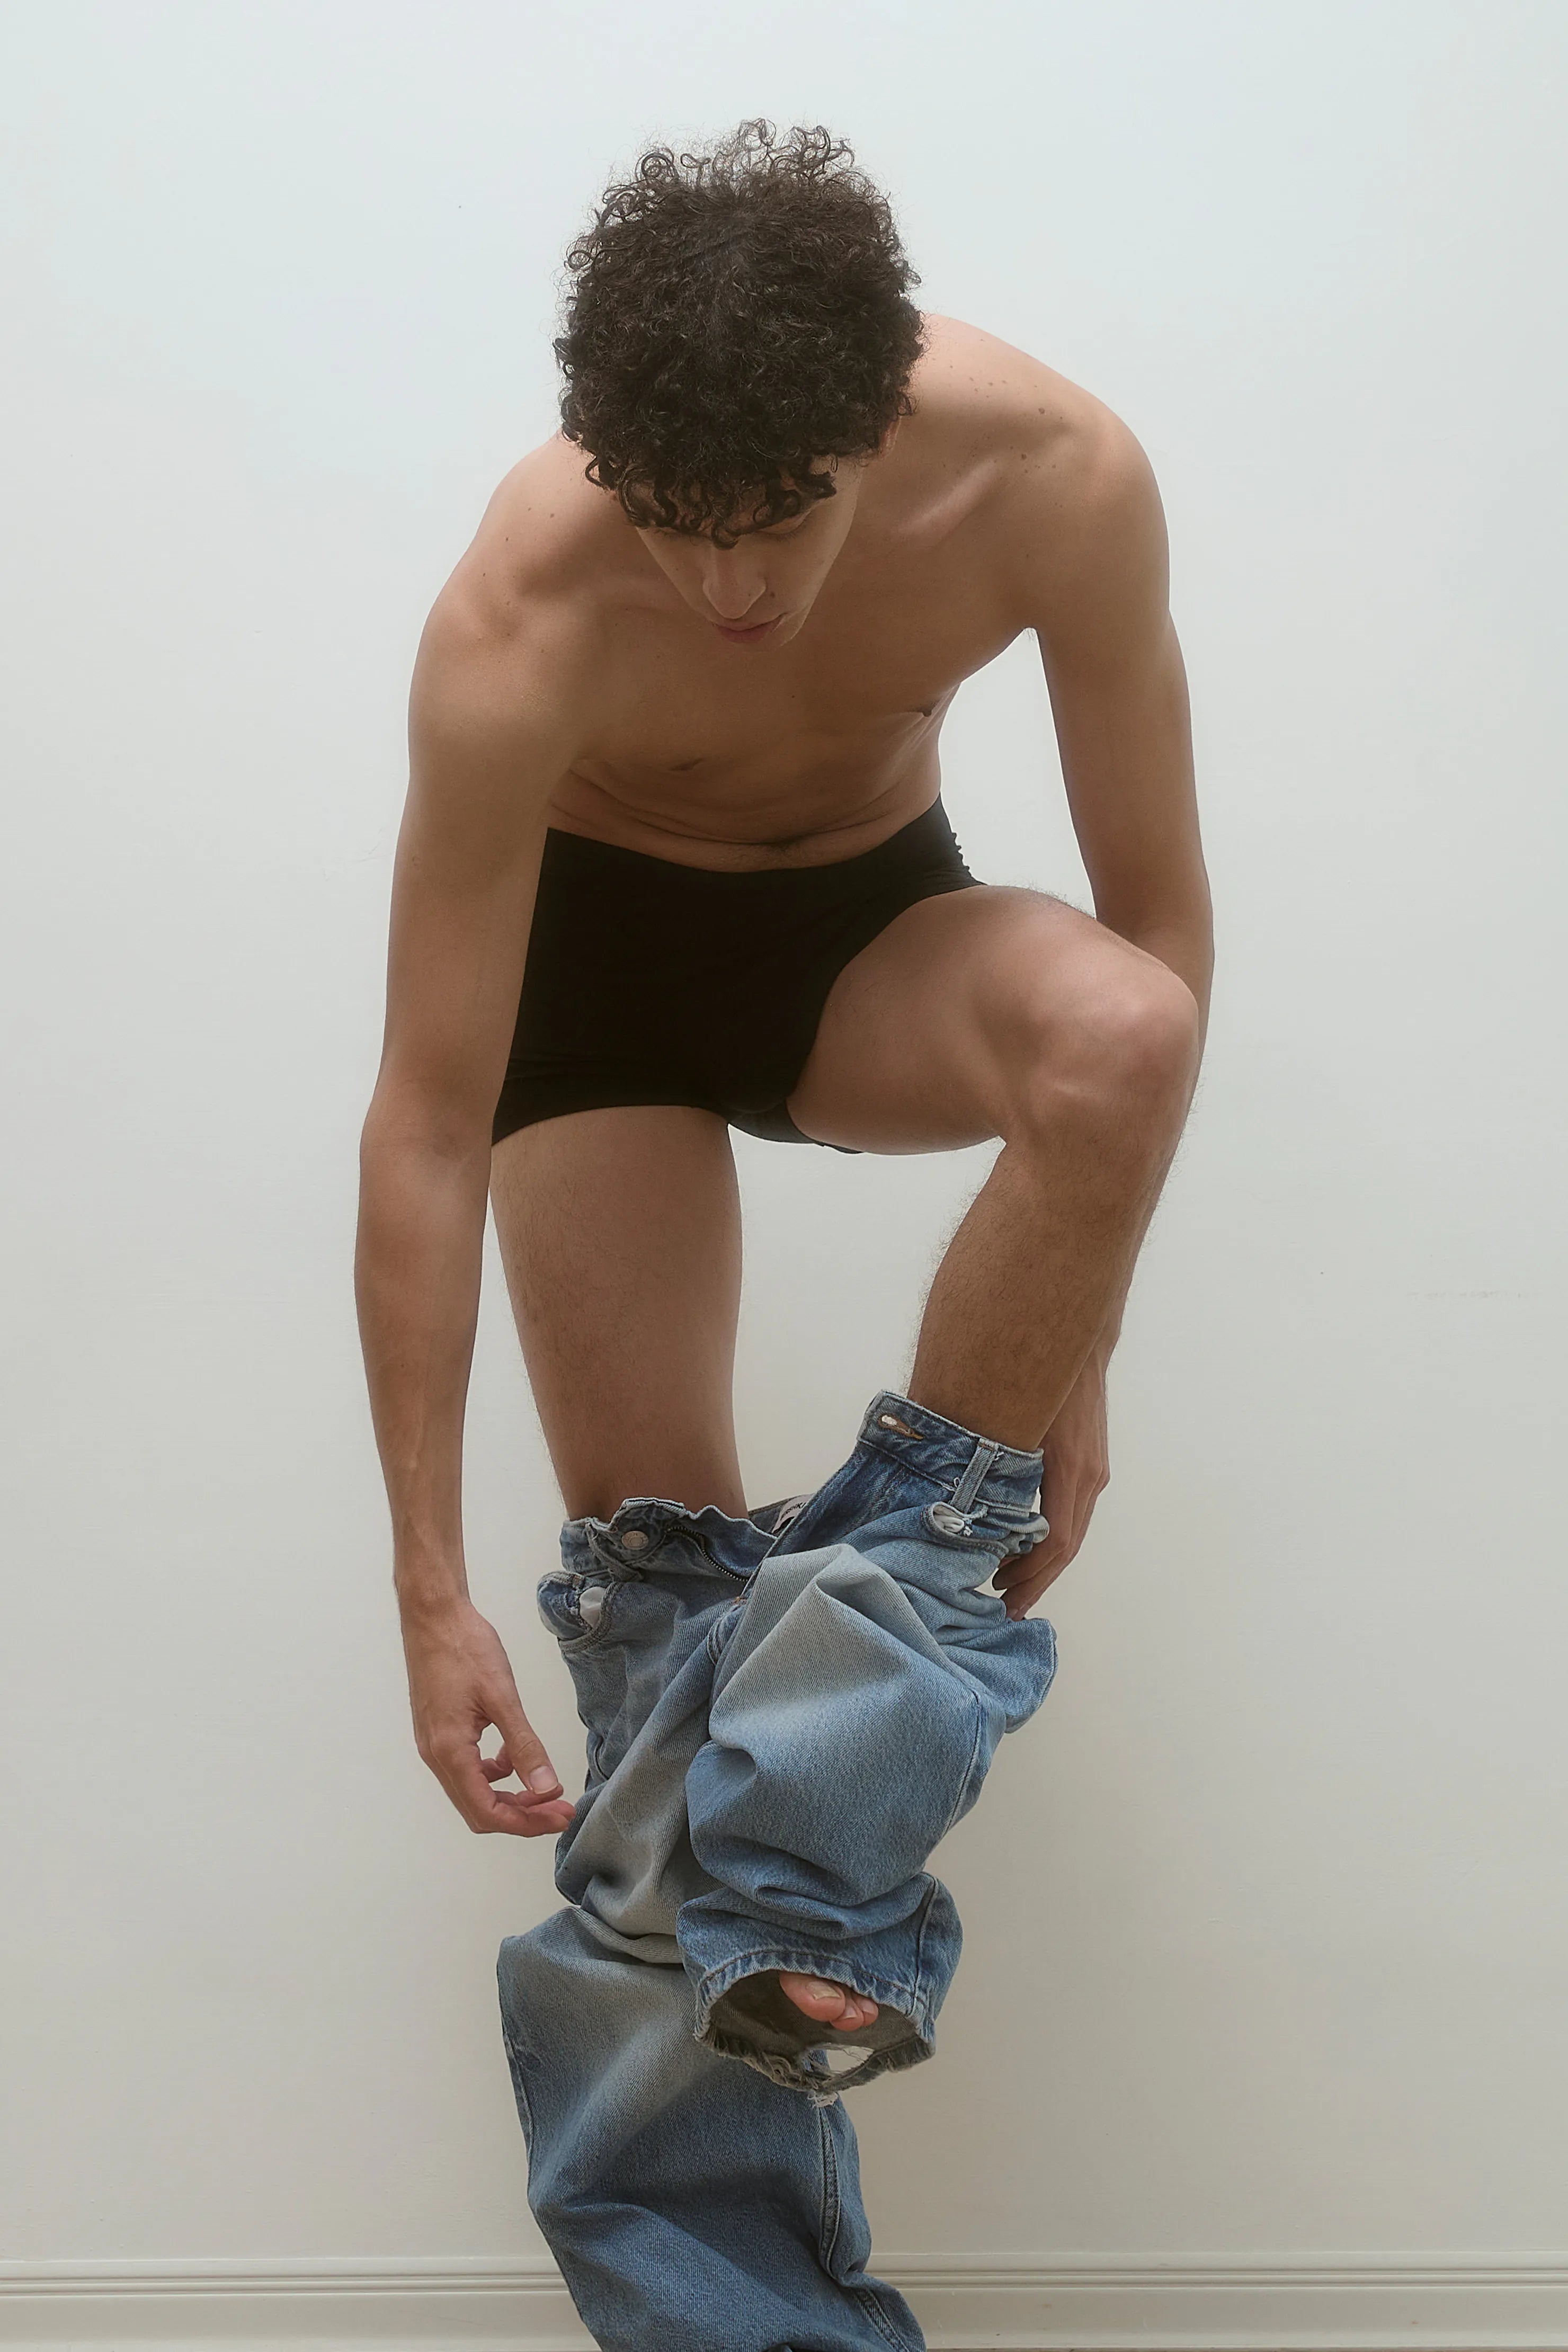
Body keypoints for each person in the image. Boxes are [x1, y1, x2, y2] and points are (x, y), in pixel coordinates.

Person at [355, 120, 1211, 2352]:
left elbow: (1157, 925)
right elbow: (427, 1120)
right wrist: (428, 1580)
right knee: (667, 1621)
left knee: (1120, 1033)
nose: (728, 590)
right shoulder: (524, 608)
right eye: (679, 527)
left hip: (860, 935)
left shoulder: (1055, 476)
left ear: (877, 428)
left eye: (783, 524)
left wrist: (1065, 1366)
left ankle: (810, 1846)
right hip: (590, 998)